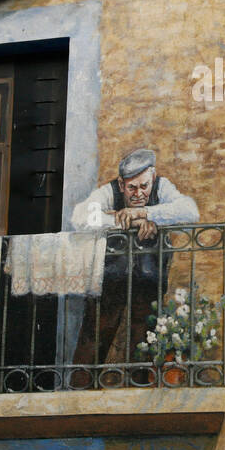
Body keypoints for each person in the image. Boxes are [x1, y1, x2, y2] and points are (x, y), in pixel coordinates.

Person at [69, 148, 199, 369]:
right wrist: (120, 221)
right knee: (95, 335)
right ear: (121, 185)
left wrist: (145, 213)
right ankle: (78, 393)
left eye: (144, 186)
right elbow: (79, 217)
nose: (138, 193)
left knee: (144, 341)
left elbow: (190, 211)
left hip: (150, 277)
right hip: (109, 279)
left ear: (153, 178)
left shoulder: (162, 186)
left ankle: (139, 391)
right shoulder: (110, 191)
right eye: (131, 188)